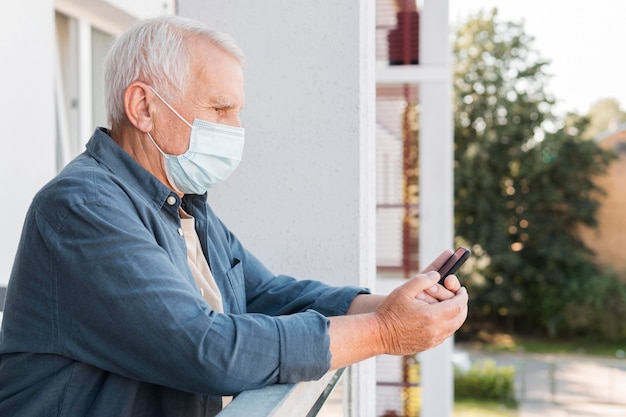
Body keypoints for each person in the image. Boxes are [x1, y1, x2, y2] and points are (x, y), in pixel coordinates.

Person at [0, 15, 468, 417]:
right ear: (143, 107)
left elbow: (267, 293)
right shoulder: (82, 208)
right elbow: (205, 348)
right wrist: (384, 331)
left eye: (236, 112)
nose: (235, 130)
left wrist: (387, 305)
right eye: (220, 109)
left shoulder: (182, 203)